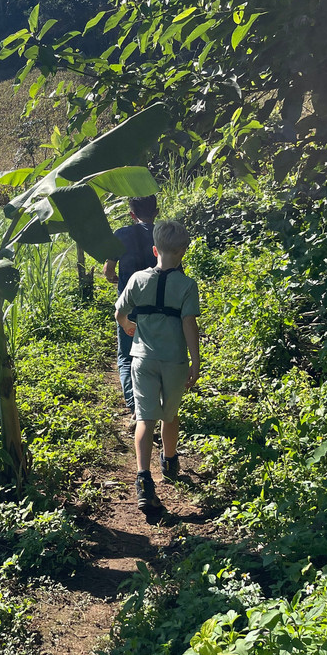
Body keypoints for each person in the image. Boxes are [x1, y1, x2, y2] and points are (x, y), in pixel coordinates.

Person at [114, 220, 200, 512]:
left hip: (142, 360)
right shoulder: (187, 285)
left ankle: (142, 478)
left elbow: (120, 312)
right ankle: (170, 460)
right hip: (174, 361)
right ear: (183, 252)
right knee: (170, 414)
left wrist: (128, 326)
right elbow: (189, 323)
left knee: (144, 417)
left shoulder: (138, 279)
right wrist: (195, 361)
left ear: (154, 250)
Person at [104, 196, 159, 423]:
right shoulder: (163, 234)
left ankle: (136, 406)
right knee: (152, 355)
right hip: (159, 306)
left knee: (126, 357)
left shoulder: (122, 234)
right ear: (156, 212)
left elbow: (108, 271)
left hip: (129, 305)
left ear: (131, 214)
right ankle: (154, 402)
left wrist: (116, 278)